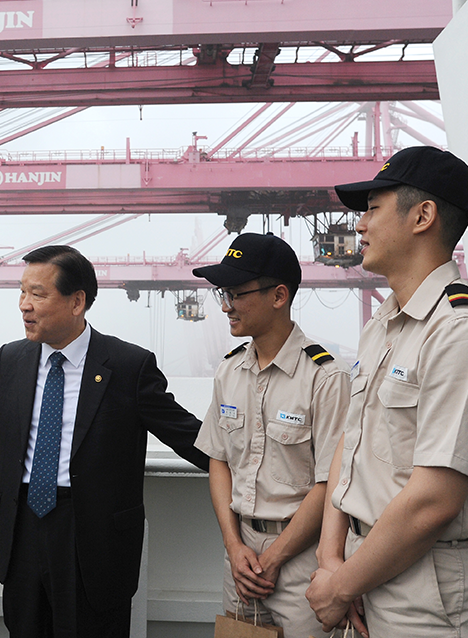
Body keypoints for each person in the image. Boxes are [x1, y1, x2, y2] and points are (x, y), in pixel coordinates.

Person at [0, 244, 210, 638]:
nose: (24, 305)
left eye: (38, 294)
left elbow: (189, 437)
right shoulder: (12, 359)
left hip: (94, 541)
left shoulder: (128, 366)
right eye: (22, 291)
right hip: (22, 531)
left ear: (77, 301)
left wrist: (256, 474)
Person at [305, 146, 468, 638]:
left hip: (424, 591)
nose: (359, 225)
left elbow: (434, 499)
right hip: (360, 568)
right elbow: (349, 447)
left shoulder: (455, 333)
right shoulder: (382, 326)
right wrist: (332, 557)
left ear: (423, 216)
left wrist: (339, 587)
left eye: (373, 208)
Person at [193, 232, 349, 637]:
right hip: (240, 556)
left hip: (302, 560)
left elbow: (330, 482)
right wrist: (233, 546)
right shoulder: (229, 370)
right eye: (222, 294)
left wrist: (276, 556)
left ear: (279, 296)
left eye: (236, 293)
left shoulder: (326, 377)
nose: (226, 306)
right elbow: (219, 461)